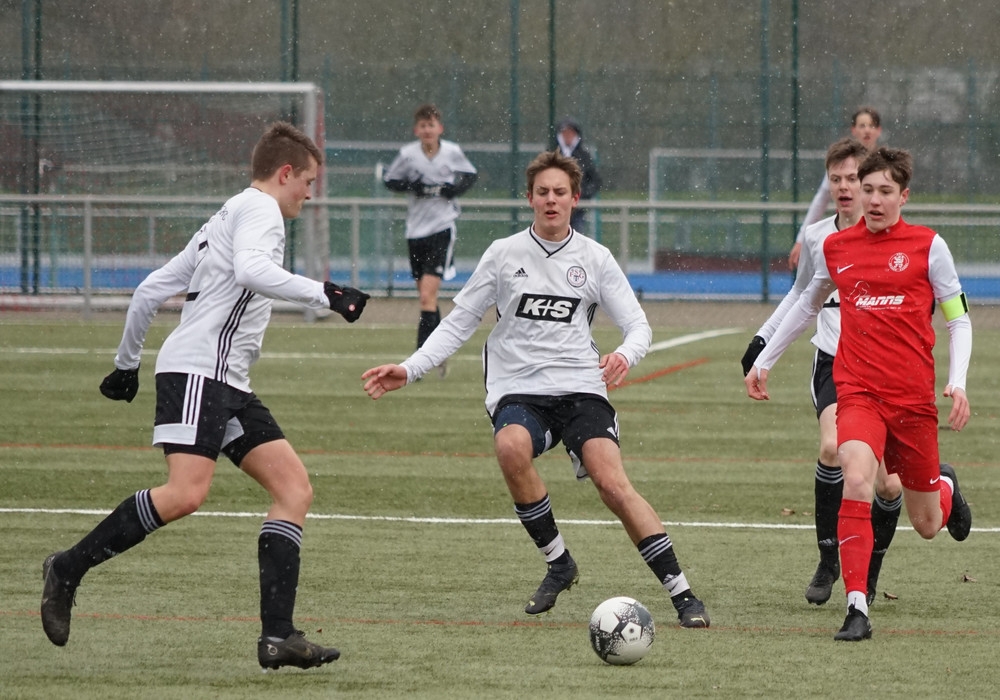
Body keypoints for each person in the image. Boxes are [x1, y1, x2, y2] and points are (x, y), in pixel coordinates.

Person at [40, 122, 370, 670]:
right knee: (185, 494)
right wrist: (327, 294)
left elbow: (150, 290)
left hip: (227, 382)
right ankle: (67, 567)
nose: (310, 194)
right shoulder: (260, 210)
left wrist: (126, 365)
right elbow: (252, 270)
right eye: (308, 182)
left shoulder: (227, 214)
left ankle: (278, 637)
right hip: (200, 373)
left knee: (293, 489)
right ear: (285, 173)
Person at [362, 150, 710, 628]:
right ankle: (559, 562)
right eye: (542, 192)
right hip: (520, 390)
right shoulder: (503, 254)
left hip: (581, 388)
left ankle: (683, 593)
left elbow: (638, 326)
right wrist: (411, 368)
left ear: (575, 199)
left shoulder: (595, 258)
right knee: (510, 446)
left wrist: (625, 355)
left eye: (560, 192)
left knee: (612, 483)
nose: (551, 200)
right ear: (529, 198)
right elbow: (460, 322)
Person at [745, 146, 973, 641]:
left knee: (927, 523)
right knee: (856, 478)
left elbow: (957, 317)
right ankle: (856, 607)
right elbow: (807, 304)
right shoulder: (837, 246)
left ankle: (945, 486)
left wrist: (957, 381)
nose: (873, 199)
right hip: (858, 391)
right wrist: (765, 359)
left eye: (884, 191)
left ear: (903, 196)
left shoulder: (929, 246)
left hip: (912, 400)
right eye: (867, 189)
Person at [742, 138, 903, 607]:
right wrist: (762, 344)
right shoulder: (819, 237)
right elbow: (801, 297)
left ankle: (870, 569)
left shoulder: (891, 239)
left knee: (890, 484)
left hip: (885, 368)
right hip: (835, 360)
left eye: (853, 178)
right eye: (836, 179)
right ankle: (829, 557)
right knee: (832, 448)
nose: (845, 187)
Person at [383, 103, 478, 372]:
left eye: (431, 125)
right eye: (423, 126)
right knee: (427, 299)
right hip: (416, 231)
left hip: (441, 228)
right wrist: (410, 186)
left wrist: (453, 189)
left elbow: (470, 175)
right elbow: (390, 180)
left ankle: (420, 361)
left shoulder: (451, 152)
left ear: (440, 128)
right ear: (416, 130)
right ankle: (439, 353)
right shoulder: (408, 155)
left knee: (427, 296)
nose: (427, 130)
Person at [788, 107, 883, 270]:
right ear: (853, 130)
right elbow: (821, 199)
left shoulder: (885, 165)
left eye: (871, 125)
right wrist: (801, 239)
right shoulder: (840, 163)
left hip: (876, 237)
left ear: (879, 131)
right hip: (847, 236)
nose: (867, 130)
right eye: (862, 125)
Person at [556, 118, 602, 234]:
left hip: (577, 210)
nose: (568, 136)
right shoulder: (552, 154)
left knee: (576, 236)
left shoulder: (584, 156)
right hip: (555, 209)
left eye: (571, 133)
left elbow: (595, 180)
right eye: (565, 133)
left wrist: (582, 196)